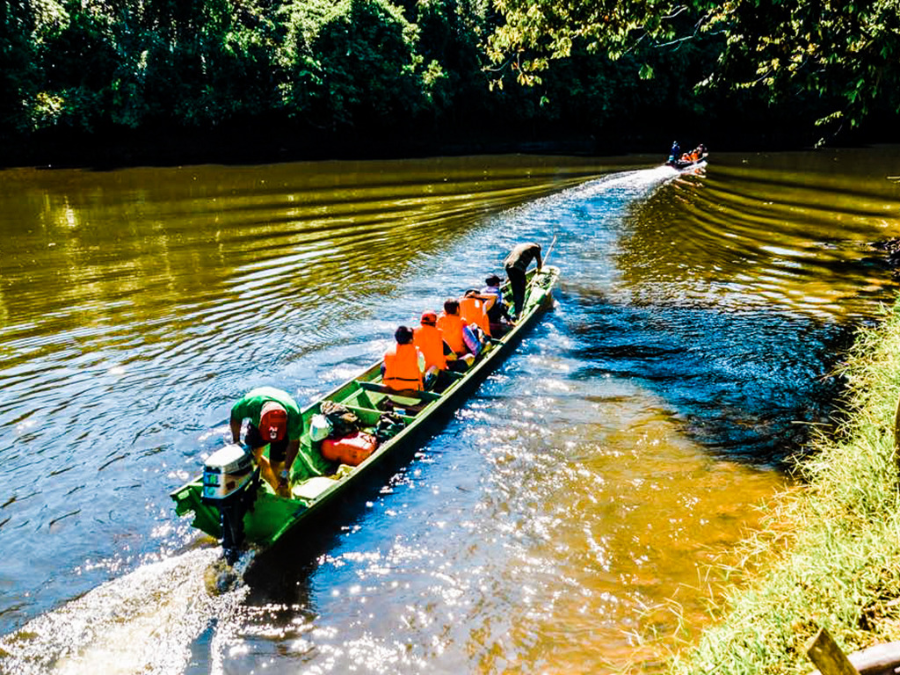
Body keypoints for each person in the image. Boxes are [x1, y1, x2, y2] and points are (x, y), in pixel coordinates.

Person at [230, 386, 303, 498]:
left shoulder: (293, 416)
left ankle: (286, 496)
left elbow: (294, 442)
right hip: (259, 427)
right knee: (252, 460)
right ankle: (274, 484)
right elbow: (235, 417)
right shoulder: (248, 404)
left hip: (282, 432)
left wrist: (286, 470)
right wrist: (236, 441)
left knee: (278, 469)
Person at [503, 242, 542, 319]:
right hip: (517, 267)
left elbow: (507, 259)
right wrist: (539, 271)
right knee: (520, 290)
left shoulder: (521, 246)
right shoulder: (536, 248)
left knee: (515, 287)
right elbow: (539, 261)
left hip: (508, 265)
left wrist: (510, 276)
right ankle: (518, 313)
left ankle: (512, 305)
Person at [382, 325, 425, 393]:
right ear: (411, 339)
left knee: (383, 366)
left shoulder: (388, 352)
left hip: (391, 394)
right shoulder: (417, 353)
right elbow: (422, 371)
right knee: (433, 369)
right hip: (413, 396)